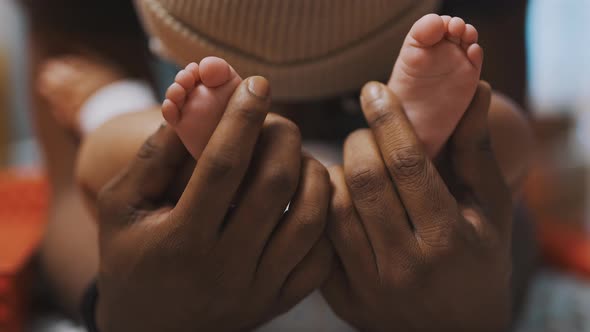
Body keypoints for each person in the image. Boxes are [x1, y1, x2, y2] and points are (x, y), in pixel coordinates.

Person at [20, 0, 535, 330]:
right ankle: (426, 139)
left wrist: (99, 100)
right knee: (498, 134)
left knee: (115, 141)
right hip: (397, 191)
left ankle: (209, 144)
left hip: (226, 195)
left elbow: (75, 183)